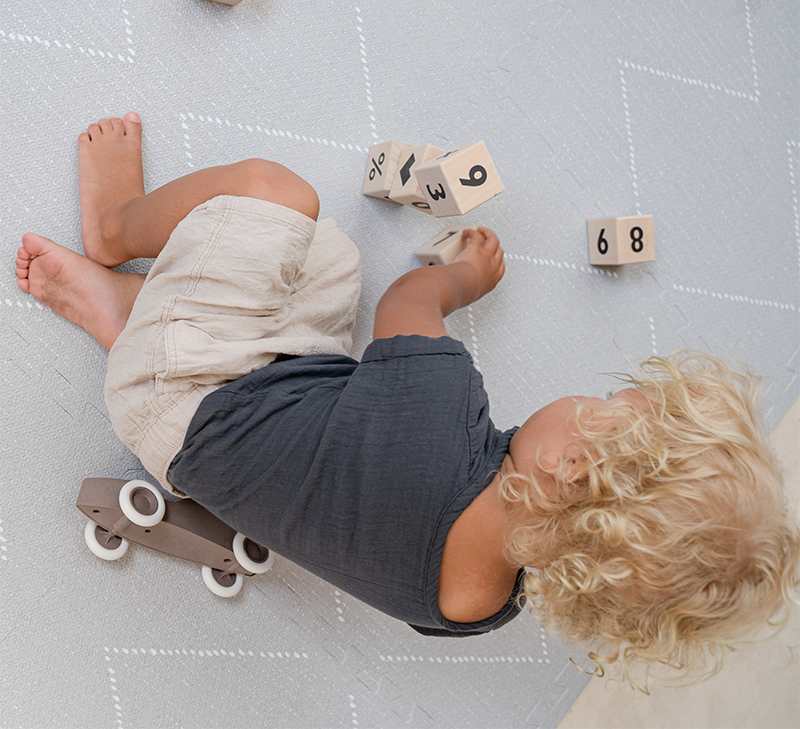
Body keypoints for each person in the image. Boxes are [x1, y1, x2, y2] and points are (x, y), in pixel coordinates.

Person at [15, 114, 800, 688]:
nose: (589, 402)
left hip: (181, 394)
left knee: (277, 195)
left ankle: (117, 234)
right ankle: (130, 317)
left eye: (602, 410)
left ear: (564, 465)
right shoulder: (483, 606)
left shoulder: (439, 411)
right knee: (328, 268)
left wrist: (462, 281)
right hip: (210, 453)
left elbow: (408, 302)